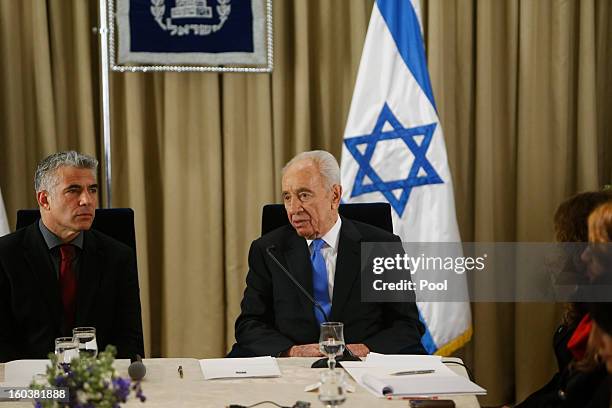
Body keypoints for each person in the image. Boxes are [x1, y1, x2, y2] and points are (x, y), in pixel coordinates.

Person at [233, 150, 426, 357]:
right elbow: (249, 323)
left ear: (334, 196)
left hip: (362, 365)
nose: (293, 208)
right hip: (293, 367)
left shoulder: (381, 246)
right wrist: (293, 352)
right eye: (287, 197)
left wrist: (363, 349)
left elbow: (407, 324)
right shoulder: (268, 250)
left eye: (304, 195)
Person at [0, 151, 144, 362]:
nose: (87, 200)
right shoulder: (5, 256)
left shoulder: (118, 256)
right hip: (29, 386)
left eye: (92, 190)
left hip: (99, 384)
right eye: (73, 190)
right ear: (44, 199)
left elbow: (129, 341)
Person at [516, 191, 612, 408]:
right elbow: (563, 385)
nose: (586, 255)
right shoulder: (587, 305)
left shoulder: (602, 312)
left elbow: (573, 395)